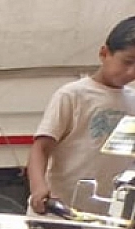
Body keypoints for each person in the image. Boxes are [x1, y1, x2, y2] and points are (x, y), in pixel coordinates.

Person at [27, 17, 135, 215]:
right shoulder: (72, 95)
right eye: (127, 62)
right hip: (59, 214)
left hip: (107, 217)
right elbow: (40, 148)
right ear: (104, 53)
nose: (131, 72)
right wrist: (39, 188)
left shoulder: (133, 101)